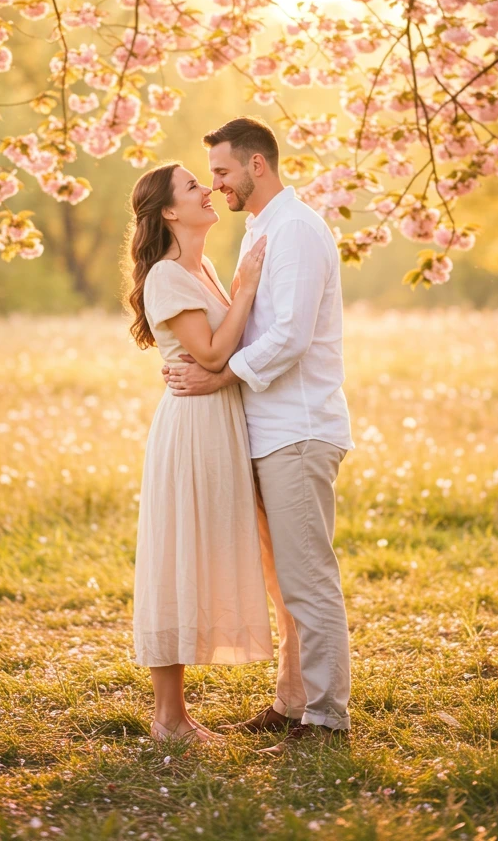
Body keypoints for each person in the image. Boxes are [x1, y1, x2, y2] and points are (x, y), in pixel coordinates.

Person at [164, 117, 354, 751]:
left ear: (257, 167)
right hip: (267, 430)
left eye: (222, 173)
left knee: (306, 579)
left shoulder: (295, 230)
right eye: (209, 176)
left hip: (297, 429)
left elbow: (291, 337)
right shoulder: (260, 231)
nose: (216, 186)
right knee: (283, 582)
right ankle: (292, 701)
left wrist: (221, 378)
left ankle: (326, 718)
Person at [125, 160, 273, 743]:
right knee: (176, 554)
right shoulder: (166, 277)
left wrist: (235, 290)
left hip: (219, 424)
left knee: (199, 552)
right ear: (168, 212)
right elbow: (211, 355)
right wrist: (247, 290)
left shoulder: (204, 266)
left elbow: (221, 356)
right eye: (193, 187)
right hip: (190, 429)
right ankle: (168, 718)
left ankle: (177, 716)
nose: (207, 189)